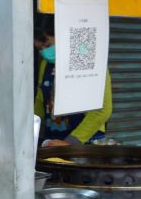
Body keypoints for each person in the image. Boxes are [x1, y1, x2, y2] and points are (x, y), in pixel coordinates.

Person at [33, 18, 112, 147]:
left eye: (47, 45)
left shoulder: (89, 61)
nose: (44, 52)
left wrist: (70, 142)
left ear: (63, 35)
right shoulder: (45, 64)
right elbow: (41, 102)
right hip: (53, 141)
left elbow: (102, 110)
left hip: (84, 143)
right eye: (39, 48)